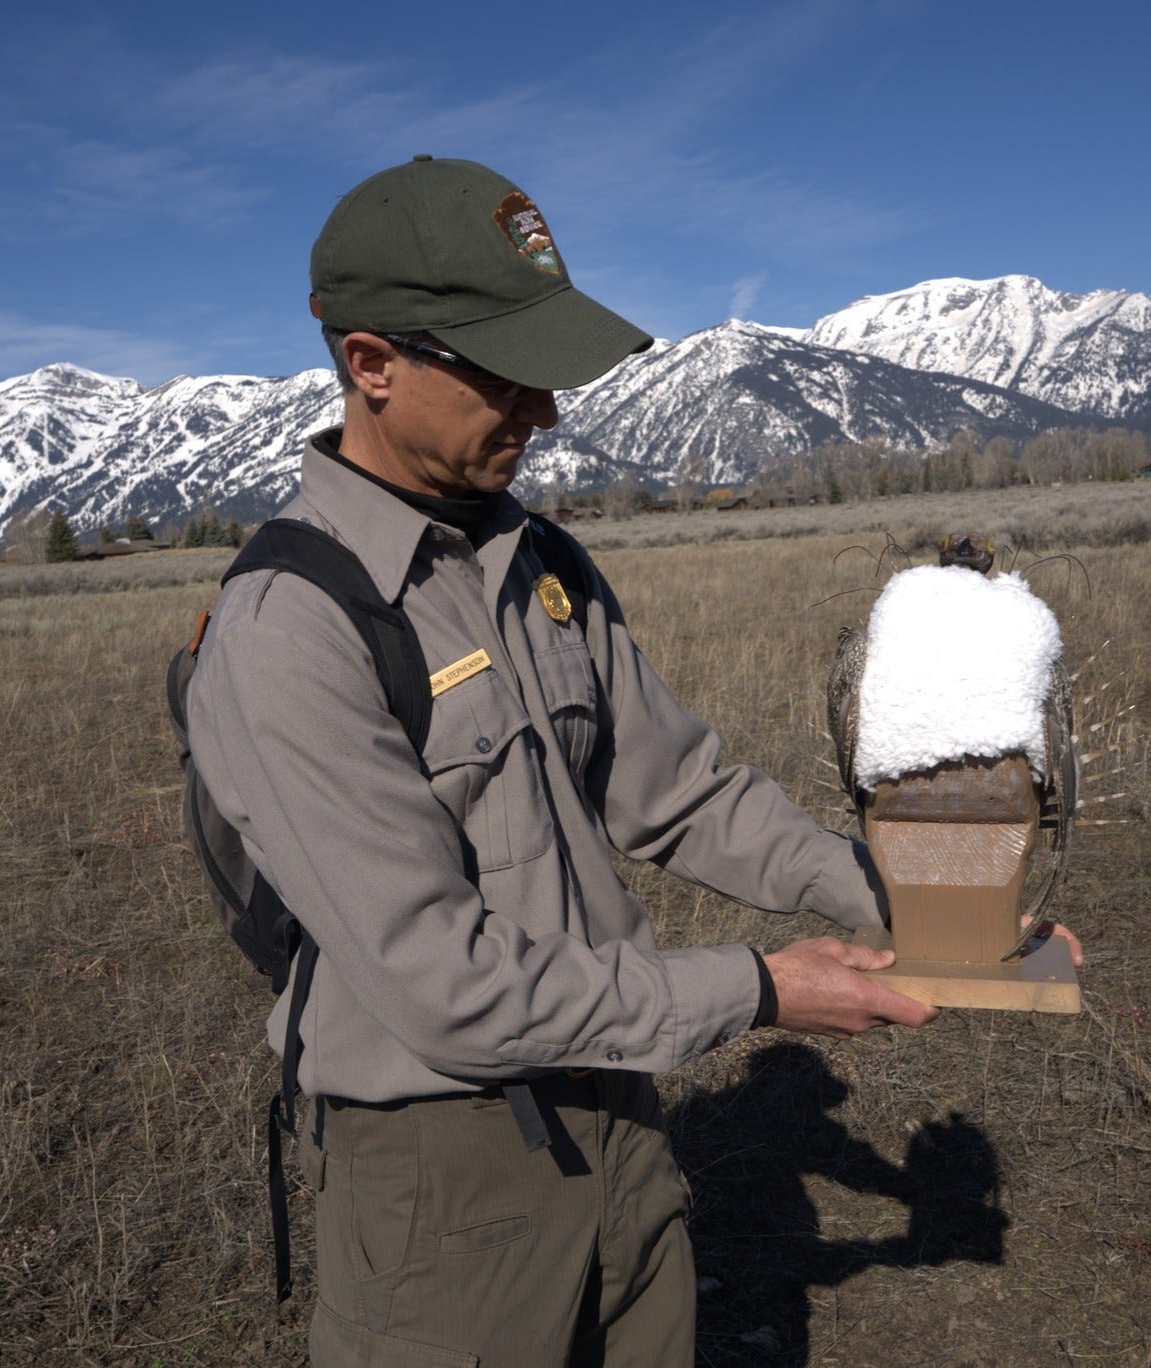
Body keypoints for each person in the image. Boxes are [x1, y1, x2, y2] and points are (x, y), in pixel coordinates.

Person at [187, 155, 939, 1368]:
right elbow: (450, 990)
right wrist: (758, 988)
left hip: (623, 1112)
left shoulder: (542, 566)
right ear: (369, 363)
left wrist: (915, 904)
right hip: (441, 1179)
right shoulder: (295, 629)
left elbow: (682, 795)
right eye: (502, 370)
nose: (542, 411)